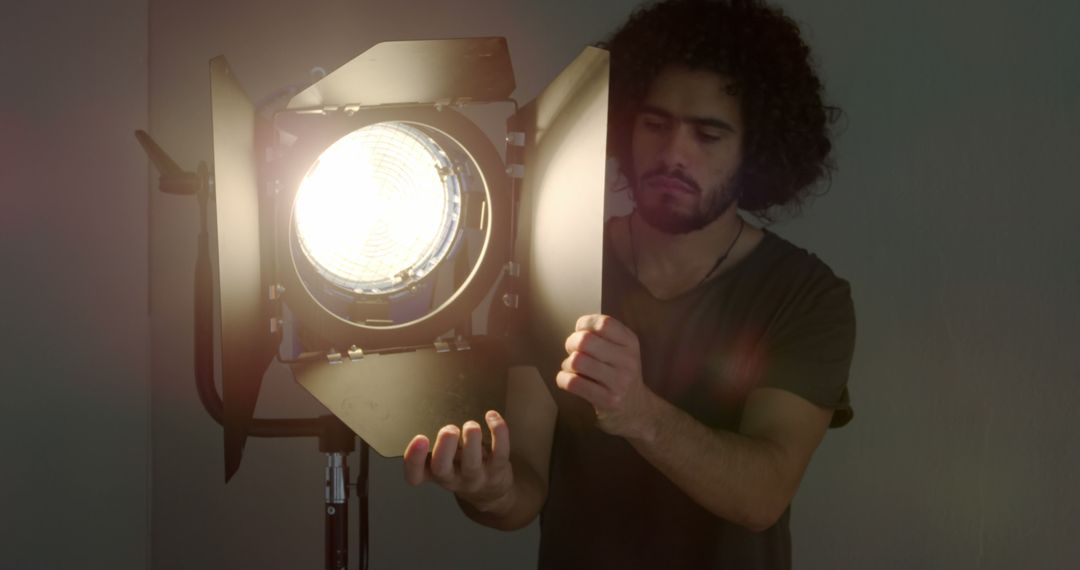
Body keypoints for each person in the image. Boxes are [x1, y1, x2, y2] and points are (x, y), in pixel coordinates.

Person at [402, 0, 856, 567]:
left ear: (755, 149)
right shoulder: (547, 268)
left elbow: (762, 494)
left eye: (708, 135)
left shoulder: (806, 295)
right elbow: (524, 490)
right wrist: (488, 489)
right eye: (655, 124)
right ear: (622, 123)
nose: (672, 154)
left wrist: (639, 413)